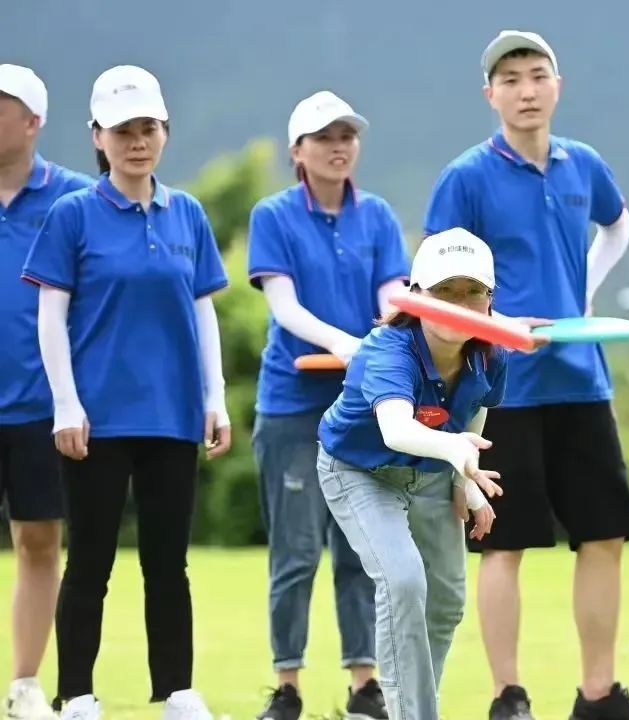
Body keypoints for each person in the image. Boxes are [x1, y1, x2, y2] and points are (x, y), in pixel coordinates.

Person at [423, 29, 629, 720]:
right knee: (504, 541)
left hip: (580, 378)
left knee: (605, 534)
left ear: (556, 86)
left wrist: (581, 293)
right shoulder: (467, 176)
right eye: (511, 80)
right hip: (502, 386)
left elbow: (617, 227)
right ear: (490, 95)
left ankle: (598, 696)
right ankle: (509, 696)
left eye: (537, 76)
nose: (526, 90)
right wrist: (495, 322)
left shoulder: (580, 165)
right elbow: (435, 277)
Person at [21, 64, 231, 720]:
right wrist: (65, 402)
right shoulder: (73, 215)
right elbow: (50, 316)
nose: (137, 141)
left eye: (148, 128)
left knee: (168, 564)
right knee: (91, 561)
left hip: (171, 415)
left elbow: (202, 312)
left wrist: (215, 396)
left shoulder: (187, 214)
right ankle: (77, 693)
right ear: (98, 138)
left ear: (164, 133)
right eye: (122, 131)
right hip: (96, 417)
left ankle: (177, 689)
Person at [246, 89, 411, 720]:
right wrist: (352, 342)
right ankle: (287, 686)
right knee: (295, 552)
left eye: (347, 135)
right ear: (298, 151)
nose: (339, 146)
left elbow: (393, 293)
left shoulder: (378, 217)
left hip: (362, 406)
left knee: (359, 550)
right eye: (324, 137)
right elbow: (284, 307)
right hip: (293, 406)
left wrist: (398, 329)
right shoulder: (274, 215)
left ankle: (363, 684)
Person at [316, 227, 506, 720]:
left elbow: (475, 413)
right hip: (358, 471)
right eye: (444, 292)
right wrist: (456, 454)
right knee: (403, 582)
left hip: (432, 474)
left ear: (489, 302)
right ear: (417, 297)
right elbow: (397, 429)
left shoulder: (492, 352)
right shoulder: (387, 350)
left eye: (471, 293)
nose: (457, 305)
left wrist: (467, 483)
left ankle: (416, 705)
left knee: (444, 603)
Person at [0, 63, 93, 720]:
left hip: (41, 404)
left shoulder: (74, 202)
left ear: (33, 122)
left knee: (38, 541)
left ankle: (26, 684)